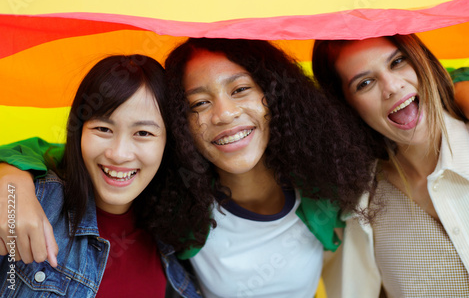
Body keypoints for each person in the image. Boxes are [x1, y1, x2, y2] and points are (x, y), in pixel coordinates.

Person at [1, 38, 379, 297]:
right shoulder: (177, 208)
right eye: (198, 103)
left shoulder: (328, 182)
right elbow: (54, 153)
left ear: (273, 95)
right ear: (182, 129)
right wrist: (10, 179)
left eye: (240, 89)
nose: (225, 113)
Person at [312, 35, 469, 297]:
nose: (392, 86)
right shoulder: (358, 203)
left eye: (398, 62)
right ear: (346, 108)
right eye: (365, 83)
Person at [0, 55, 203, 297]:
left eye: (143, 133)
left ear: (169, 143)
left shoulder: (172, 231)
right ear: (79, 132)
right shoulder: (32, 204)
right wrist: (11, 182)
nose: (118, 154)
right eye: (103, 129)